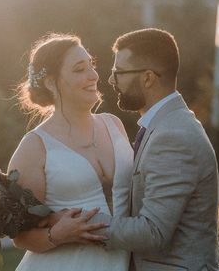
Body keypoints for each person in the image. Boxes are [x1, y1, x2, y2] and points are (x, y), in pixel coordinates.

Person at [88, 28, 219, 270]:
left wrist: (85, 225)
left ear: (148, 78)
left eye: (118, 73)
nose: (110, 80)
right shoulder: (165, 126)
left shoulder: (173, 136)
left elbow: (153, 232)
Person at [8, 33, 134, 271]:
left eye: (91, 66)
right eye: (79, 69)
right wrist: (57, 234)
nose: (94, 76)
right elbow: (20, 235)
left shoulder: (113, 124)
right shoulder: (34, 147)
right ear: (50, 83)